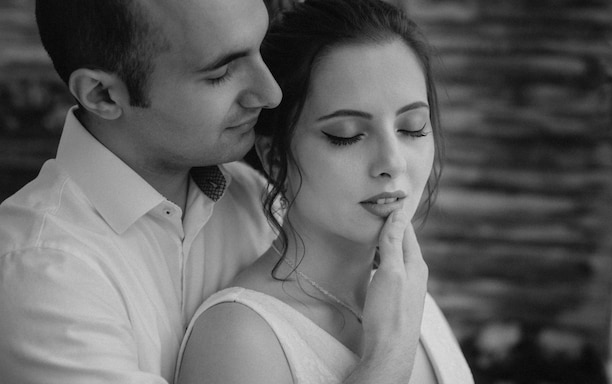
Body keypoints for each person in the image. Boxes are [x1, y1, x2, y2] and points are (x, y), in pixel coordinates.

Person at [0, 0, 449, 383]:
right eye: (220, 73)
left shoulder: (257, 198)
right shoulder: (41, 274)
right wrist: (389, 356)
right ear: (103, 94)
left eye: (259, 51)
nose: (271, 92)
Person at [176, 0, 474, 383]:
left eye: (412, 127)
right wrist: (389, 355)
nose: (392, 161)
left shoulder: (406, 293)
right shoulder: (239, 339)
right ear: (275, 156)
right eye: (345, 135)